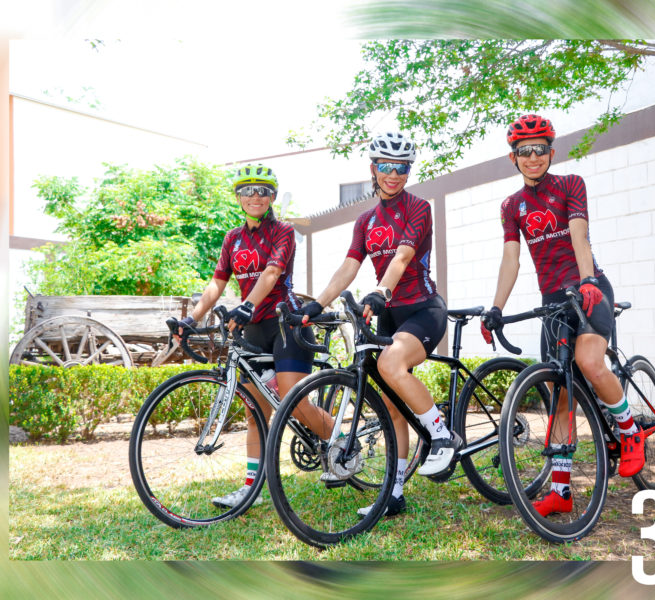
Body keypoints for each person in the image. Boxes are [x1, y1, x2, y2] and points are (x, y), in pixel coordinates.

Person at [481, 114, 645, 517]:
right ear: (513, 158)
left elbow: (578, 234)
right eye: (524, 151)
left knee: (589, 362)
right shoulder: (511, 206)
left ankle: (629, 431)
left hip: (588, 287)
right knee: (561, 397)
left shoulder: (571, 184)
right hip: (553, 300)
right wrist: (496, 308)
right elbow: (511, 259)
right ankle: (560, 490)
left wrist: (587, 280)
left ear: (551, 152)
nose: (533, 157)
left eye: (540, 149)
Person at [299, 132, 462, 517]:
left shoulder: (418, 208)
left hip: (422, 309)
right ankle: (395, 490)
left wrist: (381, 291)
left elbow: (403, 257)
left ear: (408, 170)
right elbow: (349, 266)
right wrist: (314, 306)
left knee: (390, 365)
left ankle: (442, 435)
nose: (393, 174)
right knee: (389, 404)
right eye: (386, 167)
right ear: (373, 169)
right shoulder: (366, 220)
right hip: (387, 313)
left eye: (401, 167)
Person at [175, 163, 333, 508]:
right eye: (248, 191)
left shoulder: (284, 231)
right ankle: (252, 488)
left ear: (273, 196)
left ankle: (340, 445)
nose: (255, 196)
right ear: (238, 197)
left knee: (294, 403)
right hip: (253, 329)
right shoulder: (232, 238)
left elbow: (273, 271)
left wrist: (246, 304)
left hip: (286, 323)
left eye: (262, 190)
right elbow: (217, 282)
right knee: (254, 412)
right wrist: (192, 319)